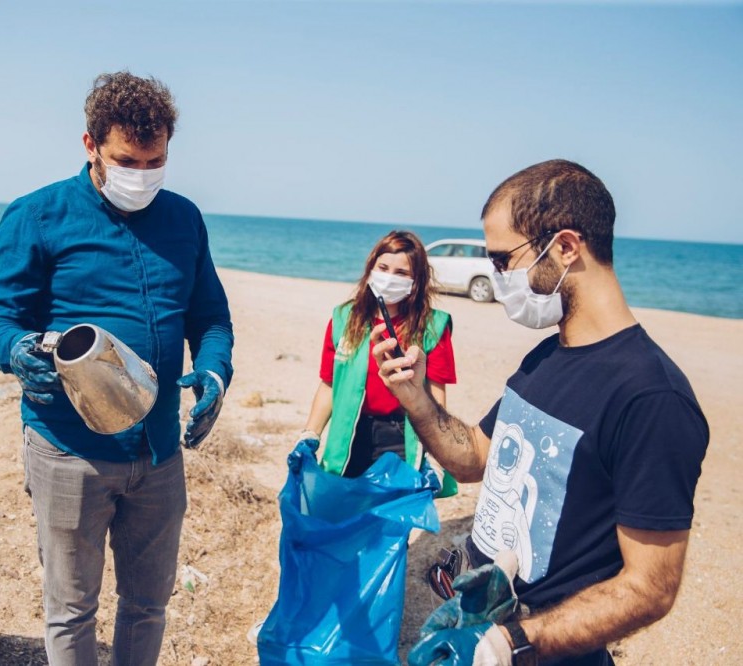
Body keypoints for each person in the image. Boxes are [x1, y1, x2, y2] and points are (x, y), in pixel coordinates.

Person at [371, 160, 708, 665]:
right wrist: (415, 397)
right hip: (479, 631)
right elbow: (474, 458)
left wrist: (514, 641)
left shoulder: (652, 398)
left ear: (567, 247)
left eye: (505, 259)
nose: (497, 275)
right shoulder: (547, 355)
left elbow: (650, 587)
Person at [0, 71, 234, 665]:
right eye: (127, 160)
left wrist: (216, 373)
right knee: (71, 610)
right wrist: (16, 352)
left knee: (148, 604)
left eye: (156, 161)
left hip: (160, 454)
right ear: (90, 144)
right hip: (70, 451)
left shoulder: (184, 219)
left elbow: (211, 319)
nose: (141, 175)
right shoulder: (38, 216)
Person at [297, 230, 458, 492]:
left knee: (391, 520)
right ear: (370, 269)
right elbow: (329, 384)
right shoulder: (344, 318)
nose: (389, 278)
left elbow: (437, 394)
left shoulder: (433, 326)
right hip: (350, 431)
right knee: (342, 512)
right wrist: (309, 435)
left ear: (416, 281)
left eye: (401, 273)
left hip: (401, 437)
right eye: (382, 267)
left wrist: (436, 454)